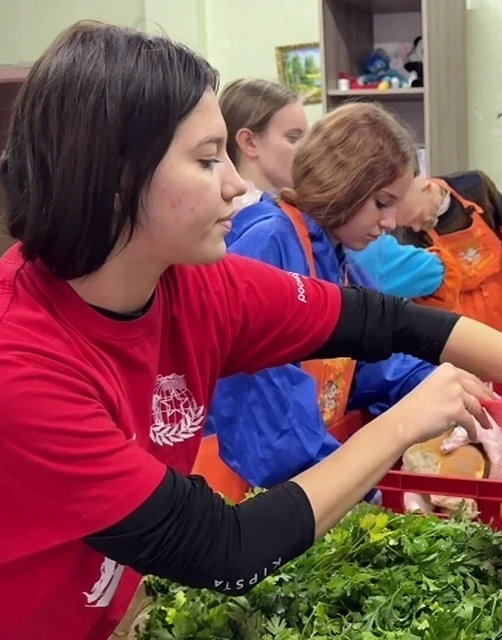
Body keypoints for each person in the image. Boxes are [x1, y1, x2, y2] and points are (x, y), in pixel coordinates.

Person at [0, 22, 502, 640]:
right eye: (208, 160)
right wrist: (405, 423)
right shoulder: (8, 367)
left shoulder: (194, 286)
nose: (237, 185)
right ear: (114, 178)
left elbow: (391, 323)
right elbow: (225, 551)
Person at [194, 96, 464, 502]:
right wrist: (357, 495)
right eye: (381, 203)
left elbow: (378, 361)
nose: (390, 224)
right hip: (241, 493)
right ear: (345, 183)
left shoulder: (338, 262)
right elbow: (266, 413)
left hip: (303, 481)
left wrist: (442, 389)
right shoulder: (268, 243)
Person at [351, 170, 502, 344]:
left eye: (417, 218)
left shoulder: (475, 185)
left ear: (427, 188)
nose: (416, 228)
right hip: (457, 313)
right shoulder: (401, 232)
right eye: (410, 225)